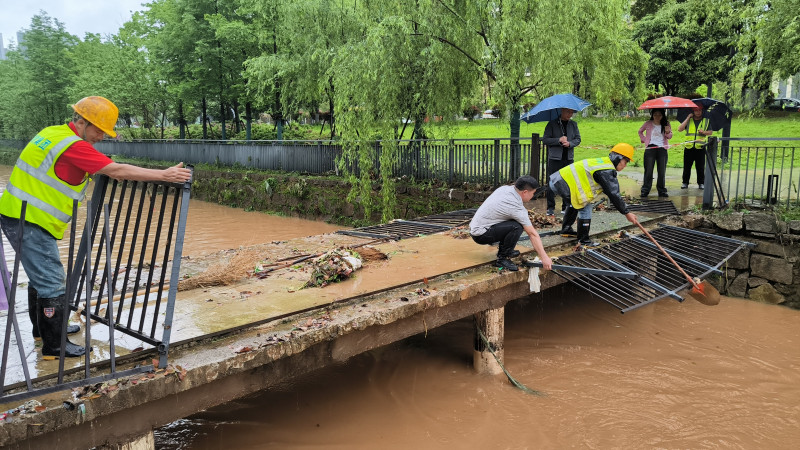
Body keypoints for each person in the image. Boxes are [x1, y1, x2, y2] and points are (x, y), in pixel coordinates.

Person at [0, 96, 192, 359]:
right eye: (99, 130)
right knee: (53, 283)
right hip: (29, 218)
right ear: (81, 121)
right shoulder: (74, 146)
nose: (102, 136)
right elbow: (118, 171)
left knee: (40, 278)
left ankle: (44, 331)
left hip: (18, 213)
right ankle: (55, 347)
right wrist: (164, 175)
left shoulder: (52, 133)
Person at [549, 143, 639, 248]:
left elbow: (610, 191)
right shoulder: (607, 170)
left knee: (575, 202)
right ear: (618, 158)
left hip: (558, 181)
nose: (625, 165)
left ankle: (566, 229)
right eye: (626, 161)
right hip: (564, 184)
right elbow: (614, 194)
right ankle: (583, 241)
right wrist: (627, 213)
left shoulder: (603, 163)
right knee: (585, 207)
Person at [470, 175, 553, 272]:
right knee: (516, 227)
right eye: (533, 193)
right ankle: (502, 258)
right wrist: (544, 258)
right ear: (525, 192)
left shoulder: (505, 189)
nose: (534, 195)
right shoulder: (516, 208)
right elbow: (532, 234)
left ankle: (506, 249)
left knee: (514, 223)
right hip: (481, 235)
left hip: (477, 227)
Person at [542, 108, 581, 216]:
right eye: (568, 112)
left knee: (568, 182)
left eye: (572, 112)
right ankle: (550, 208)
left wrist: (570, 143)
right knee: (552, 182)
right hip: (555, 158)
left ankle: (566, 206)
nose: (570, 114)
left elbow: (578, 139)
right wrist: (558, 140)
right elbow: (545, 139)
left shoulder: (573, 124)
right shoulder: (552, 124)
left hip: (568, 158)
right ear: (562, 111)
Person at [638, 108, 672, 198]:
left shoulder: (666, 124)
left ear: (662, 115)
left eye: (659, 115)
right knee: (648, 170)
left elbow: (669, 137)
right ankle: (645, 190)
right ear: (652, 115)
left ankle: (661, 191)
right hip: (650, 148)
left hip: (662, 149)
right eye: (655, 114)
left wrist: (668, 132)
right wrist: (644, 140)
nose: (657, 116)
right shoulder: (648, 123)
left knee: (661, 171)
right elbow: (640, 131)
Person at [678, 107, 712, 189]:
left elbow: (710, 132)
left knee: (700, 166)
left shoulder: (706, 121)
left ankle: (701, 183)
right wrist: (688, 117)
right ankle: (685, 182)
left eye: (699, 110)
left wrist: (703, 132)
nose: (698, 112)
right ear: (693, 111)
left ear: (702, 111)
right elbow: (680, 129)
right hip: (689, 147)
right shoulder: (689, 120)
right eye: (696, 110)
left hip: (700, 147)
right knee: (687, 166)